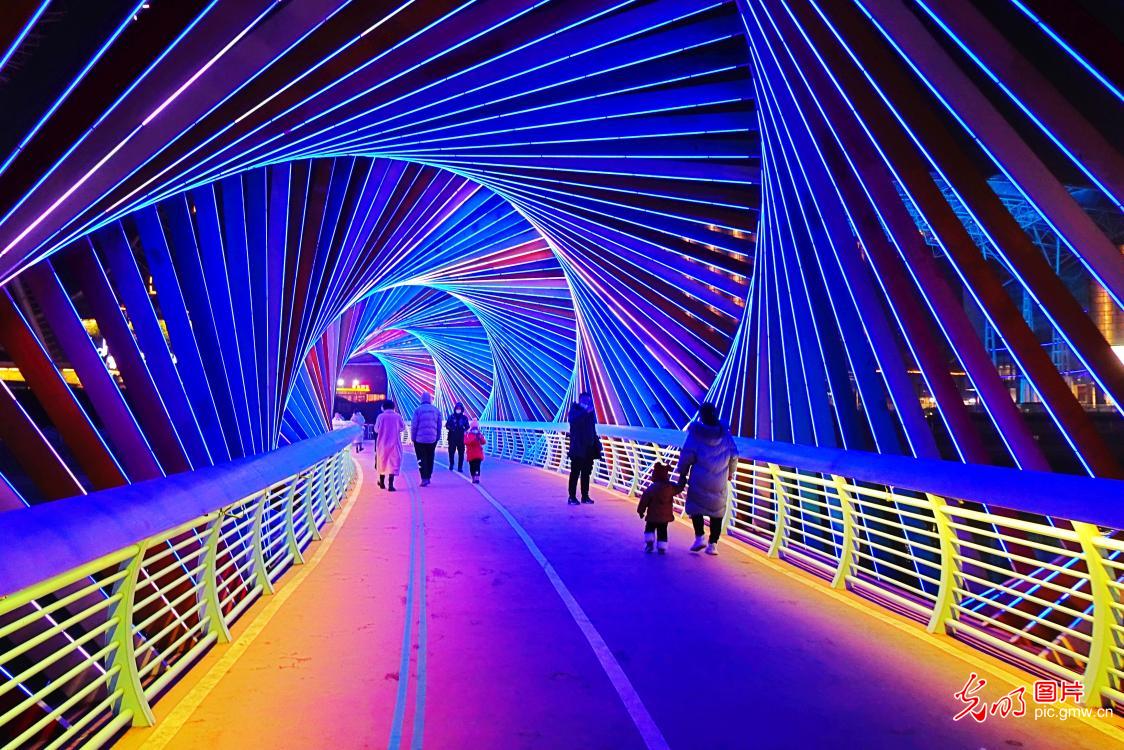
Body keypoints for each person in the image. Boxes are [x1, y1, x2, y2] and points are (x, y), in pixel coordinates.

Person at [676, 402, 738, 556]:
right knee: (717, 512)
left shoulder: (696, 433)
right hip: (719, 479)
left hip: (699, 477)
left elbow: (687, 455)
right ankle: (713, 545)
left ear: (702, 415)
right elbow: (734, 455)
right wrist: (731, 472)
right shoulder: (725, 434)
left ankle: (699, 537)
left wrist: (682, 473)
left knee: (695, 507)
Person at [567, 391, 601, 505]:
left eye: (589, 400)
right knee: (575, 473)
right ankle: (571, 497)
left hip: (588, 448)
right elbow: (574, 421)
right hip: (577, 448)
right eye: (586, 400)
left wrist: (595, 442)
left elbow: (592, 428)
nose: (588, 402)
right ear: (581, 400)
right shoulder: (575, 410)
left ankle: (585, 496)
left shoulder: (590, 413)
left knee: (586, 473)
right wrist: (586, 412)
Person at [636, 463, 679, 554]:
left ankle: (649, 544)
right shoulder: (670, 488)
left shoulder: (651, 488)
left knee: (649, 529)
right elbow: (679, 488)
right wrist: (682, 478)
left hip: (652, 516)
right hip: (664, 518)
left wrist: (641, 511)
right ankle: (662, 547)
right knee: (663, 531)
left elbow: (644, 501)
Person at [374, 401, 405, 492]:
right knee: (393, 463)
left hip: (382, 443)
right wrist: (396, 429)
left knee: (382, 461)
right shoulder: (397, 416)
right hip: (395, 442)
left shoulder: (381, 416)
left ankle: (382, 483)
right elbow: (402, 427)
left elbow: (376, 429)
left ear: (384, 407)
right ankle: (391, 485)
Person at [411, 393, 441, 487]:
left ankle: (424, 478)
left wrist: (413, 437)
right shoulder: (436, 410)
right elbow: (439, 426)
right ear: (430, 400)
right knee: (430, 457)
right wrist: (437, 437)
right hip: (432, 439)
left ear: (421, 399)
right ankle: (428, 476)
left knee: (421, 458)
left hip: (419, 439)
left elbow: (414, 426)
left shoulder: (418, 410)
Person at [445, 403, 469, 471]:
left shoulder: (464, 418)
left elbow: (467, 426)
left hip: (461, 438)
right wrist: (451, 428)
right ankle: (451, 464)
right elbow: (447, 425)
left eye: (459, 409)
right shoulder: (451, 417)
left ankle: (460, 467)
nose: (458, 410)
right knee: (451, 452)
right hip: (452, 437)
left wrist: (464, 429)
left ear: (462, 409)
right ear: (455, 409)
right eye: (457, 409)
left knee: (461, 453)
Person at [465, 419, 486, 484]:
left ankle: (475, 478)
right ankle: (475, 477)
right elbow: (467, 442)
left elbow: (483, 442)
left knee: (474, 466)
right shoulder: (470, 434)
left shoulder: (470, 434)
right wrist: (477, 437)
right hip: (475, 453)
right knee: (475, 466)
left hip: (473, 454)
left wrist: (479, 437)